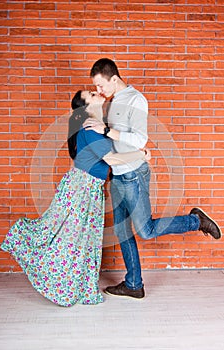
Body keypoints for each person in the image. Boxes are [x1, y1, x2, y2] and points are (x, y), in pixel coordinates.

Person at [83, 58, 222, 299]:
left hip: (133, 176)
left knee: (145, 230)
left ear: (114, 79)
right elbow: (120, 138)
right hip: (117, 177)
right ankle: (134, 284)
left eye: (101, 85)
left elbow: (139, 140)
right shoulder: (115, 100)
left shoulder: (136, 100)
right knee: (123, 232)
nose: (99, 91)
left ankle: (195, 221)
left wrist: (104, 130)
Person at [1, 90, 148, 307]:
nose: (96, 91)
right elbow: (112, 159)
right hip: (82, 189)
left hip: (88, 189)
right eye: (91, 93)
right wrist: (141, 154)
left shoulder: (96, 126)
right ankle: (59, 281)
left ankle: (73, 285)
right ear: (86, 106)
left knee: (82, 242)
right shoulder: (90, 128)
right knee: (69, 239)